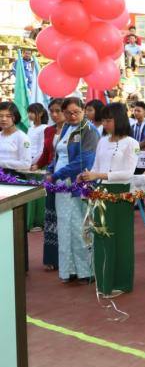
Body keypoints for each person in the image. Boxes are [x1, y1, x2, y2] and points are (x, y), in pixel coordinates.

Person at [77, 103, 139, 298]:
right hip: (100, 192)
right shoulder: (102, 141)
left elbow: (128, 173)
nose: (105, 124)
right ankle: (104, 282)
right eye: (103, 120)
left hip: (120, 194)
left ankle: (120, 282)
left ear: (119, 120)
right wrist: (86, 175)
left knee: (120, 238)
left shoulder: (131, 143)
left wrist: (98, 175)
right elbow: (96, 166)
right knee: (101, 236)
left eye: (109, 120)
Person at [49, 98, 99, 284]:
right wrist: (50, 170)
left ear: (83, 110)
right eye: (68, 113)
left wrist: (56, 175)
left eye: (76, 112)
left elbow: (84, 161)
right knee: (65, 226)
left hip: (78, 184)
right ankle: (69, 269)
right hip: (61, 186)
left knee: (81, 226)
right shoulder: (66, 128)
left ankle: (87, 271)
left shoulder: (89, 131)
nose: (72, 116)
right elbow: (58, 155)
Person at [37, 99, 64, 271]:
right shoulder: (48, 130)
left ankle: (67, 260)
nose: (54, 114)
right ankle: (52, 257)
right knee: (51, 216)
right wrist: (36, 165)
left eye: (58, 111)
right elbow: (46, 153)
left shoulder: (74, 130)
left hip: (67, 178)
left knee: (65, 218)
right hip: (49, 177)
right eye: (51, 111)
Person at [0, 102, 32, 174]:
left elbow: (26, 164)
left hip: (12, 177)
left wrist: (2, 163)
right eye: (0, 116)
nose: (3, 119)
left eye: (8, 116)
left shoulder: (22, 137)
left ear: (15, 117)